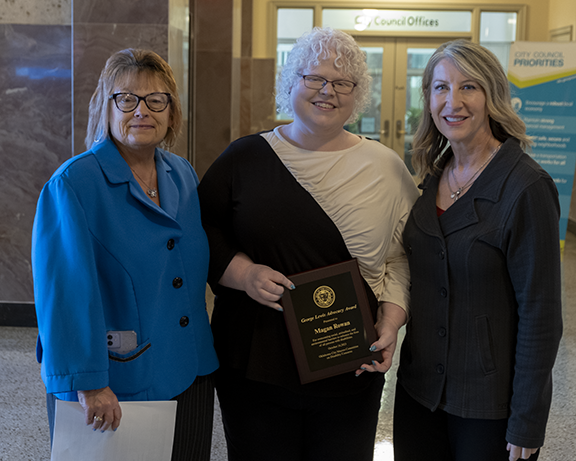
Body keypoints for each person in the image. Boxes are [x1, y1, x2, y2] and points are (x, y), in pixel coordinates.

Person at [197, 27, 419, 461]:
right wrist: (243, 273)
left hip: (350, 361)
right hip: (254, 362)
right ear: (290, 83)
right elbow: (201, 230)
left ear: (358, 95)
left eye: (342, 83)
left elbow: (403, 258)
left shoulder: (387, 168)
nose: (327, 92)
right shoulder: (244, 159)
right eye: (314, 78)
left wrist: (391, 322)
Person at [31, 49, 219, 460]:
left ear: (171, 111)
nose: (142, 111)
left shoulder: (182, 173)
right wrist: (89, 382)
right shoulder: (74, 183)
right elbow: (63, 294)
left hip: (189, 367)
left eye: (157, 100)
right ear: (105, 106)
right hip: (115, 380)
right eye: (127, 98)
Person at [393, 39, 563, 461]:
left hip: (488, 406)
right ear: (428, 100)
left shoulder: (525, 186)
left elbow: (541, 314)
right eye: (440, 88)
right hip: (419, 393)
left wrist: (528, 420)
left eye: (468, 87)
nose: (453, 101)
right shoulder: (432, 175)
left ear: (493, 95)